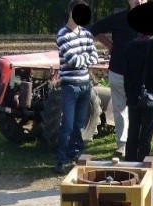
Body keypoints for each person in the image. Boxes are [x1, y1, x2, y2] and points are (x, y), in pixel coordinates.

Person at [89, 0, 147, 159]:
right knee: (120, 109)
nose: (139, 1)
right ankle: (122, 145)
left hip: (139, 74)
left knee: (139, 109)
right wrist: (109, 45)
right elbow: (95, 29)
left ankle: (136, 143)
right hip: (118, 71)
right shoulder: (119, 18)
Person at [54, 0, 99, 175]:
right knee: (67, 125)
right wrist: (85, 60)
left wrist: (84, 60)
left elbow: (94, 56)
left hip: (85, 85)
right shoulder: (62, 35)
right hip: (70, 86)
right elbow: (73, 61)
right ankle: (60, 160)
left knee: (80, 124)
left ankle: (75, 155)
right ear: (71, 12)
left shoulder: (86, 34)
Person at [123, 33, 153, 162]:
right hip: (151, 94)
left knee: (133, 131)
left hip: (133, 93)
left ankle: (129, 162)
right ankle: (143, 163)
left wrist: (129, 93)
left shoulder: (131, 45)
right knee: (146, 133)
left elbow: (126, 73)